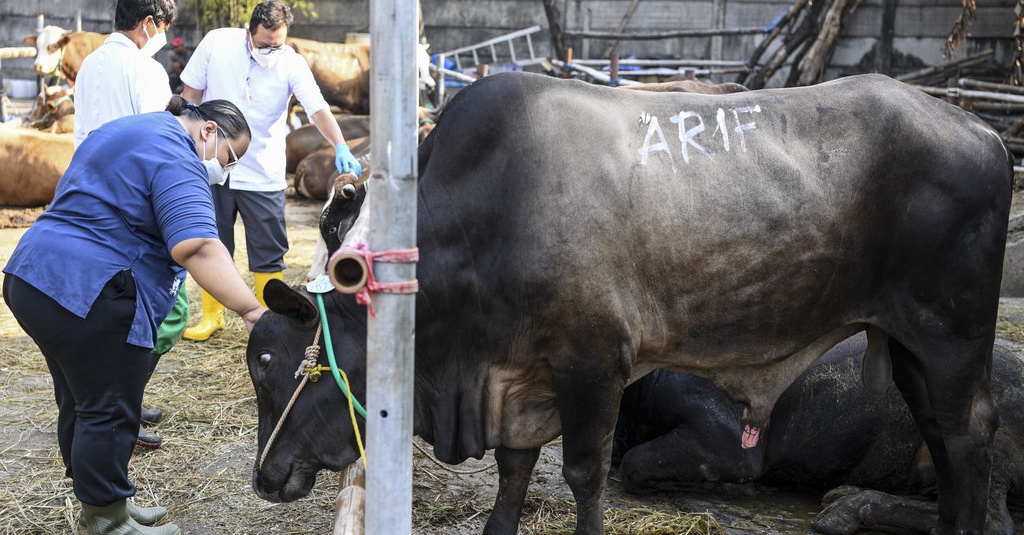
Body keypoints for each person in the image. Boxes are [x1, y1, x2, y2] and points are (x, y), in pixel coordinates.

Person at [2, 97, 265, 535]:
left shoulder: (129, 128)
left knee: (81, 399)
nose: (225, 171)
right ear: (208, 131)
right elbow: (196, 245)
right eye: (230, 158)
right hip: (93, 287)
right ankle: (108, 520)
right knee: (109, 405)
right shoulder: (179, 154)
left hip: (34, 275)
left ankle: (108, 500)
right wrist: (251, 308)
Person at [179, 0, 361, 341]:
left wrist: (339, 143)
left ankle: (268, 321)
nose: (270, 50)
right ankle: (212, 315)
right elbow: (191, 97)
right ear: (249, 33)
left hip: (262, 169)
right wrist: (187, 146)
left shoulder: (290, 61)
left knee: (268, 249)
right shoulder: (217, 42)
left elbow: (316, 108)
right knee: (209, 240)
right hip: (211, 163)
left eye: (277, 44)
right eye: (264, 44)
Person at [73, 0, 180, 450]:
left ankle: (124, 403)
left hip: (88, 196)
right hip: (134, 201)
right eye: (164, 28)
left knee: (113, 309)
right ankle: (123, 407)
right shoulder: (145, 69)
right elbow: (161, 141)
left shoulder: (89, 64)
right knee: (167, 311)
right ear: (150, 24)